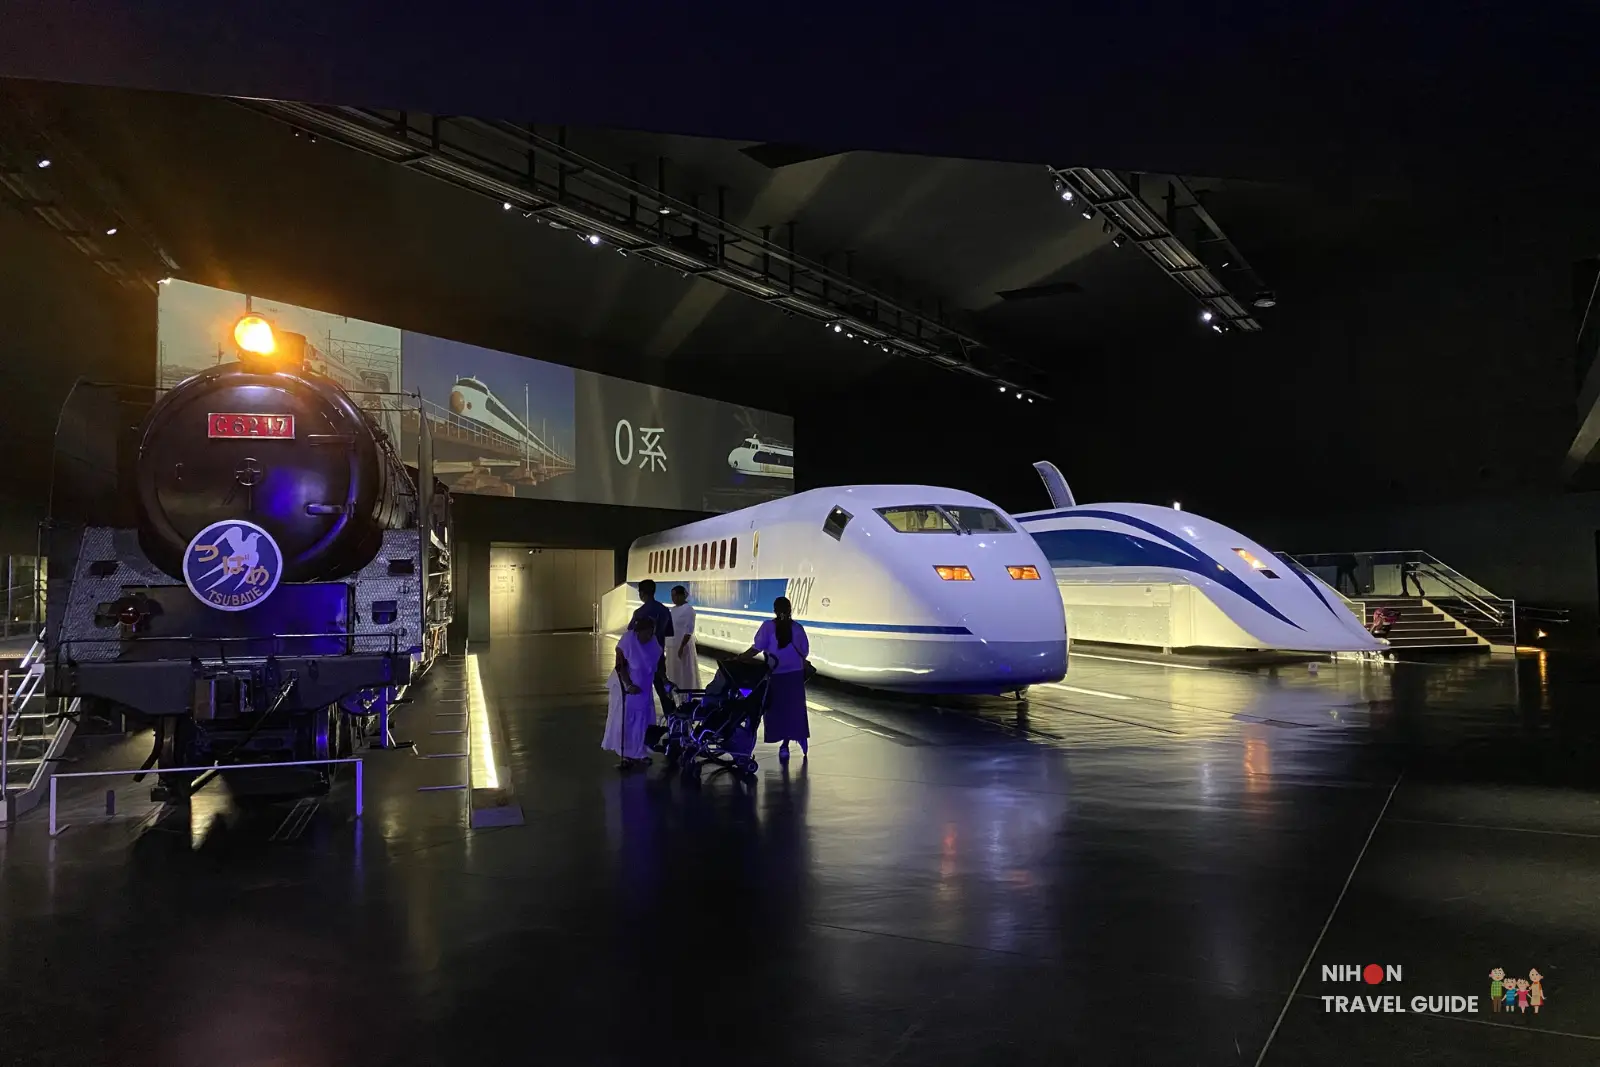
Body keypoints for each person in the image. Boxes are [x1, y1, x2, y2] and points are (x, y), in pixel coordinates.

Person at [744, 596, 810, 761]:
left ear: (774, 610)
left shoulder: (767, 627)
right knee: (793, 711)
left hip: (775, 675)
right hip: (795, 676)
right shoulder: (798, 628)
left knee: (775, 710)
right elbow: (805, 650)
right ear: (790, 609)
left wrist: (740, 658)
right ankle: (787, 745)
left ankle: (780, 743)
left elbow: (757, 648)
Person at [603, 614, 662, 770]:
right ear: (638, 632)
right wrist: (628, 684)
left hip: (645, 687)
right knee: (627, 721)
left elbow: (658, 665)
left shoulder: (653, 643)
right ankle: (627, 754)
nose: (649, 636)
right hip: (628, 688)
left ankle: (640, 752)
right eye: (646, 633)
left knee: (643, 720)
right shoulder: (627, 641)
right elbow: (620, 666)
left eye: (651, 632)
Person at [630, 578, 675, 712]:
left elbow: (631, 634)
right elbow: (668, 632)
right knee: (663, 690)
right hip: (658, 656)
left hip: (642, 659)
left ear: (642, 593)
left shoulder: (639, 613)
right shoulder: (665, 610)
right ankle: (672, 718)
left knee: (642, 691)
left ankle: (645, 722)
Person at [664, 585, 698, 694]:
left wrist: (682, 646)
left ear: (682, 596)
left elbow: (689, 630)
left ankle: (685, 693)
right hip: (672, 645)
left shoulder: (689, 610)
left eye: (675, 595)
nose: (673, 598)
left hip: (683, 645)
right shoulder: (673, 609)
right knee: (674, 671)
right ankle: (675, 692)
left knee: (684, 671)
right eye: (672, 596)